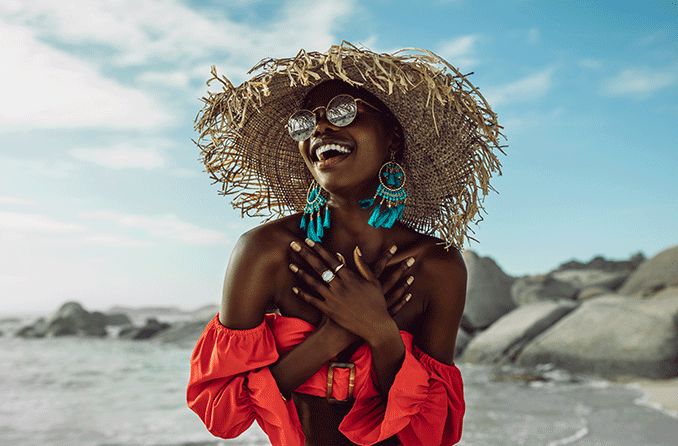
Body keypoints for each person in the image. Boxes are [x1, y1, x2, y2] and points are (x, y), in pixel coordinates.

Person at [186, 41, 506, 446]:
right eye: (304, 122)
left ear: (392, 137)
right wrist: (332, 336)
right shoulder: (265, 251)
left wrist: (381, 334)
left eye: (343, 111)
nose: (319, 128)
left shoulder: (436, 265)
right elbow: (221, 412)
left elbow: (434, 429)